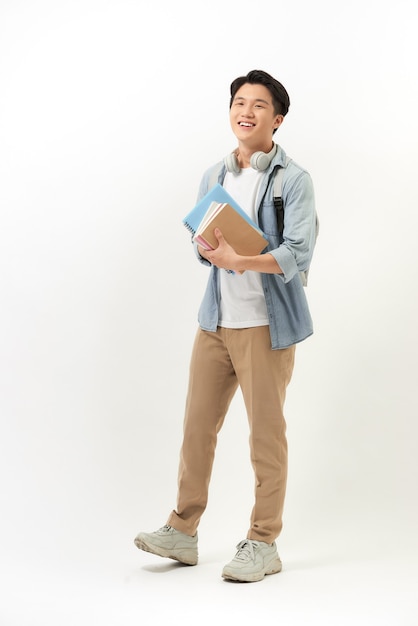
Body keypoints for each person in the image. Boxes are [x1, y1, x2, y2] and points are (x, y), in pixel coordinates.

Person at [134, 69, 317, 583]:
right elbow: (206, 249)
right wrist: (209, 250)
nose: (248, 110)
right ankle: (183, 531)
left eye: (260, 105)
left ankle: (263, 542)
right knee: (197, 429)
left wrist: (242, 258)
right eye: (240, 101)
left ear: (277, 120)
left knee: (265, 437)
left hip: (265, 325)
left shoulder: (292, 180)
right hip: (215, 321)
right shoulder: (214, 175)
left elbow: (298, 255)